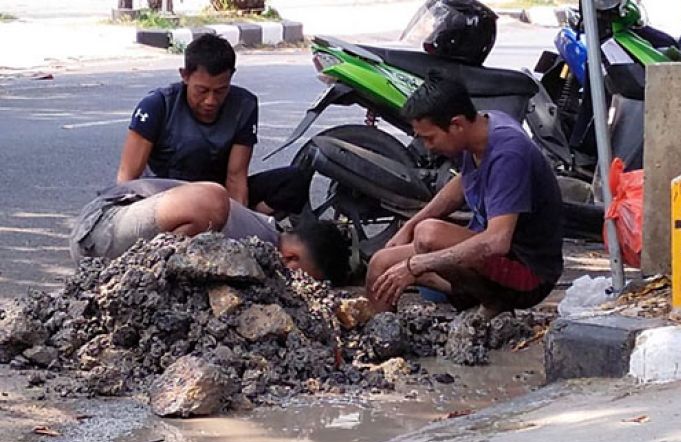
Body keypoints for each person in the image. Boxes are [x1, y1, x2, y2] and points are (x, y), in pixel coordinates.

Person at [366, 71, 563, 319]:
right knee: (381, 264)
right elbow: (463, 182)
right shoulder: (481, 128)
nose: (427, 147)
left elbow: (497, 241)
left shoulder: (508, 152)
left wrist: (416, 265)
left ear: (457, 124)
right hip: (491, 262)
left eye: (429, 138)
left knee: (430, 235)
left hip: (528, 275)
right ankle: (382, 345)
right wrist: (409, 226)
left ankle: (492, 303)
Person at [116, 33, 309, 218]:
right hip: (166, 199)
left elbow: (236, 177)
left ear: (231, 77)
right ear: (185, 76)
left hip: (218, 195)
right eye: (202, 90)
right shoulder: (157, 105)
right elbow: (127, 177)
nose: (210, 100)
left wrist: (242, 223)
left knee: (293, 180)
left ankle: (249, 221)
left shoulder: (244, 106)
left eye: (220, 91)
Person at [69, 179, 350, 285]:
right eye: (302, 280)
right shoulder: (258, 242)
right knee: (213, 198)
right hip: (100, 227)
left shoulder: (263, 232)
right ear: (291, 258)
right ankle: (145, 275)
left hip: (107, 236)